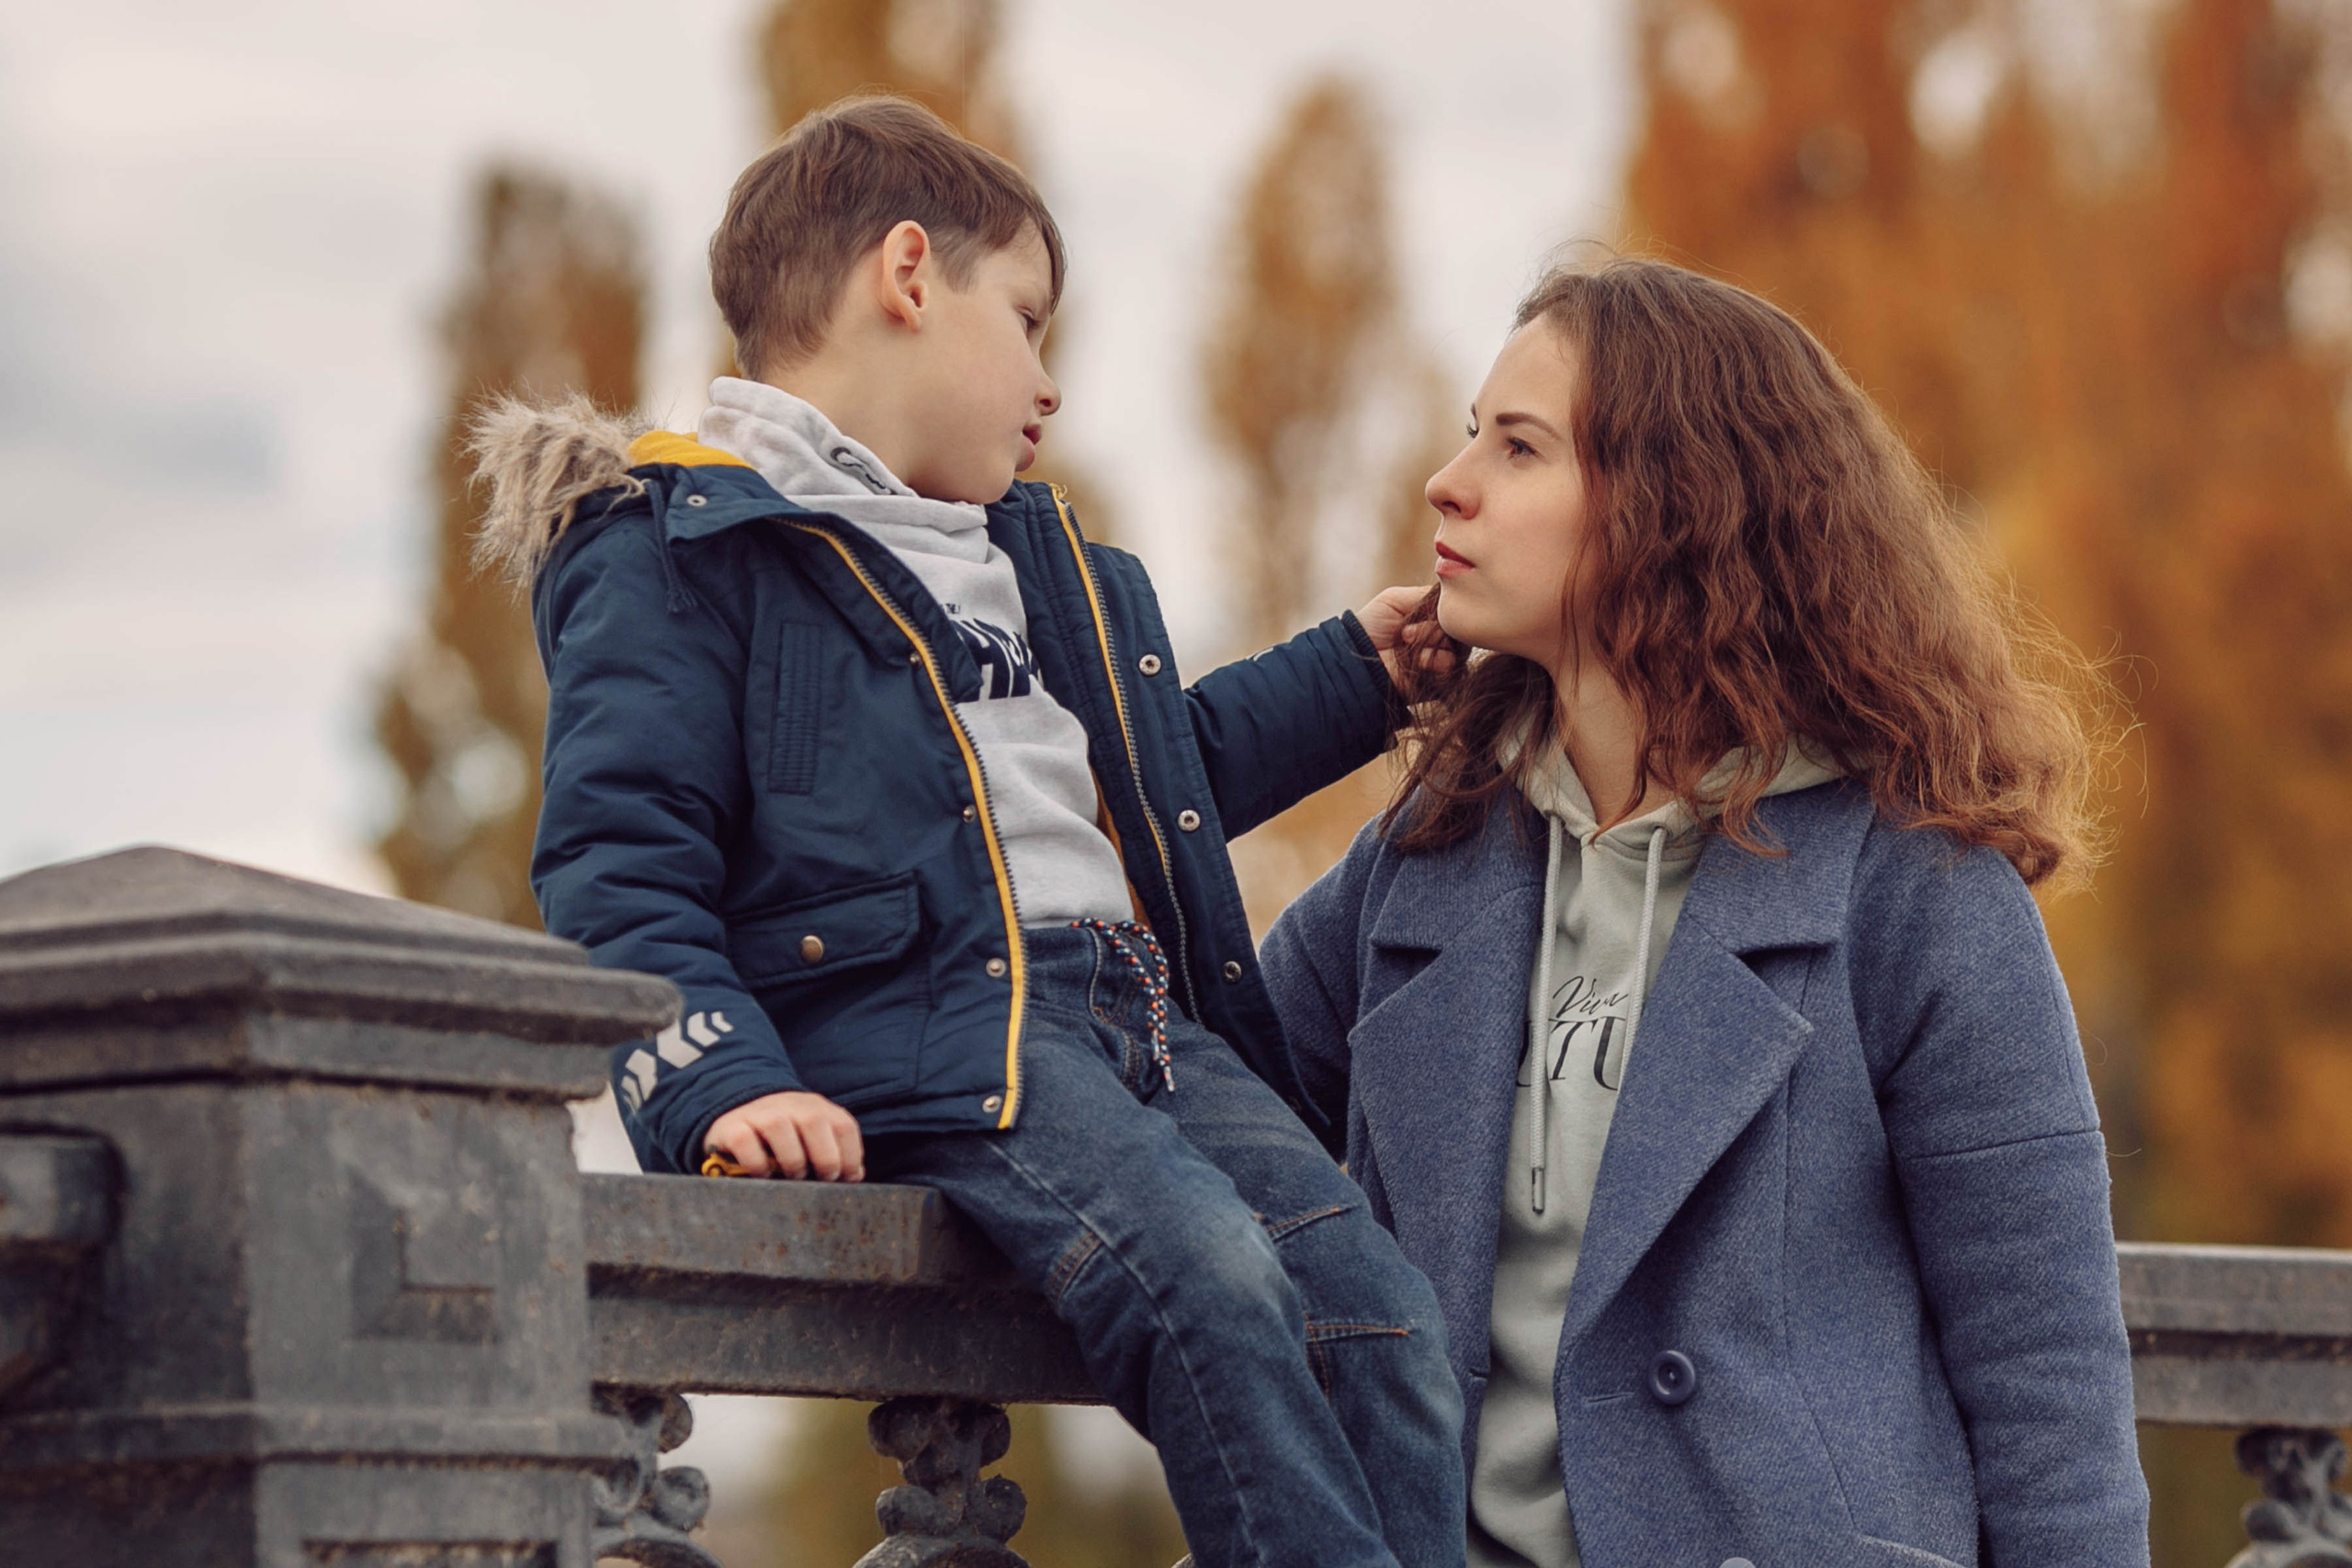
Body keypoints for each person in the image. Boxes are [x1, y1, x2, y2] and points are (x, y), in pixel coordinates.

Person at [473, 95, 1463, 1568]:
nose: (1050, 383)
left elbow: (1145, 783)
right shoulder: (679, 545)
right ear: (911, 274)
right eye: (1032, 319)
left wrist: (1355, 678)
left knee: (1383, 1318)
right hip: (946, 1033)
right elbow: (623, 864)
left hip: (1140, 1017)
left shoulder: (1014, 558)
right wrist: (719, 1082)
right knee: (1212, 1284)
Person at [1260, 256, 2150, 1568]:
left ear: (1673, 507)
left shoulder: (1916, 890)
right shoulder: (1430, 850)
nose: (1451, 484)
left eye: (1520, 447)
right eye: (1471, 438)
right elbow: (1180, 1067)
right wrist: (1301, 708)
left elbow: (2050, 1384)